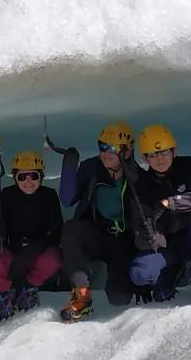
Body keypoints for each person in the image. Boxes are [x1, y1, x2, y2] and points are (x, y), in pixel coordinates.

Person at [57, 121, 145, 323]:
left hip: (124, 243)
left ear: (128, 150)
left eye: (112, 149)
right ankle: (81, 296)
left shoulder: (138, 177)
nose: (106, 153)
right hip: (97, 234)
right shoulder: (92, 168)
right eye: (102, 147)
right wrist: (69, 167)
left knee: (119, 298)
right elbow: (68, 200)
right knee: (71, 230)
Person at [127, 124, 191, 304]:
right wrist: (147, 237)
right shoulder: (142, 185)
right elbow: (139, 225)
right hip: (168, 246)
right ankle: (172, 274)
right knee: (140, 272)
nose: (160, 158)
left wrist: (171, 203)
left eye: (165, 152)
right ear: (145, 158)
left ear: (174, 151)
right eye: (153, 154)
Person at [0, 150, 63, 320]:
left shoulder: (49, 196)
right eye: (22, 176)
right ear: (15, 177)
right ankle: (8, 290)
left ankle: (29, 288)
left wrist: (31, 252)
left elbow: (56, 232)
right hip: (11, 254)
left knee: (53, 258)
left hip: (37, 253)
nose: (28, 181)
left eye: (33, 176)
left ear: (41, 176)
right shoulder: (6, 195)